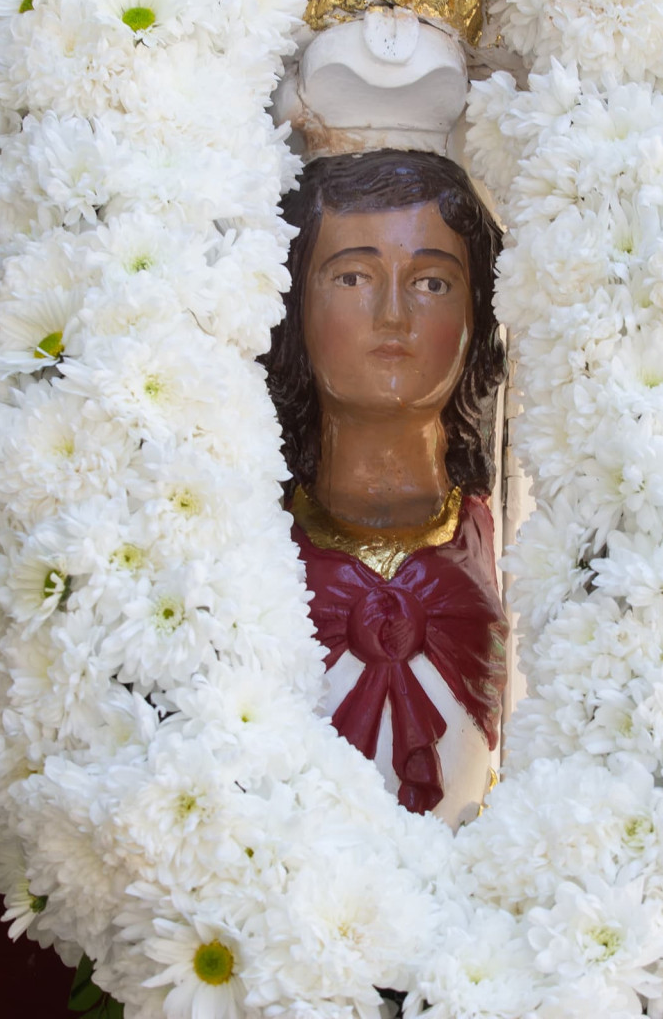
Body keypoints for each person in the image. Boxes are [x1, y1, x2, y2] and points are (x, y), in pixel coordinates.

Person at [264, 149, 509, 822]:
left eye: (432, 282)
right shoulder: (241, 539)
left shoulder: (520, 544)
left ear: (476, 316)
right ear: (294, 306)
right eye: (352, 277)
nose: (392, 314)